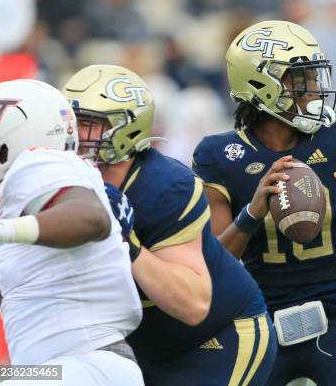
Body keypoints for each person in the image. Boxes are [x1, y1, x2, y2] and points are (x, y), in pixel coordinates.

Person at [193, 20, 336, 385]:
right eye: (300, 79)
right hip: (258, 321)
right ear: (262, 86)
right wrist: (252, 212)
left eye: (313, 76)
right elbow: (211, 268)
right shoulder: (220, 155)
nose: (314, 89)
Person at [64, 64, 276, 386]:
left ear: (126, 129)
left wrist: (126, 242)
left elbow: (192, 305)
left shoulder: (164, 186)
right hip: (139, 350)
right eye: (70, 123)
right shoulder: (61, 179)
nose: (74, 135)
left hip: (216, 337)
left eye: (88, 124)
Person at [0, 79, 143, 385]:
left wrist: (0, 229)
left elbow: (90, 219)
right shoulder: (36, 206)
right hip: (67, 367)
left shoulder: (38, 161)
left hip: (80, 364)